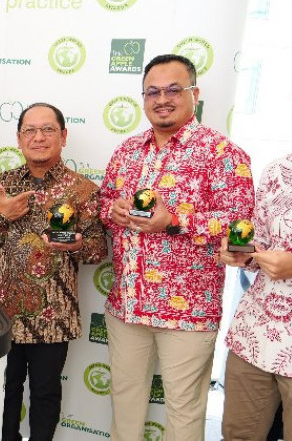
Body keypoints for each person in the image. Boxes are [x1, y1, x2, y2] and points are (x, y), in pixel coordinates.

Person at [99, 54, 255, 440]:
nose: (162, 99)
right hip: (127, 306)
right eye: (152, 92)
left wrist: (175, 221)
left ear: (194, 94)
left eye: (173, 90)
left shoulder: (222, 154)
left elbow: (240, 224)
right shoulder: (127, 151)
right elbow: (104, 204)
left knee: (184, 415)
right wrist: (114, 211)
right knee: (124, 406)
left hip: (187, 313)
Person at [0, 102, 107, 441]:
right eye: (30, 130)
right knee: (4, 391)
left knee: (45, 394)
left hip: (54, 316)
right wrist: (2, 215)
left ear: (63, 136)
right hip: (4, 314)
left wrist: (76, 246)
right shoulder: (2, 185)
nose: (38, 137)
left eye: (47, 130)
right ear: (19, 139)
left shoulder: (82, 190)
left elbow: (98, 249)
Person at [219, 153, 292, 440]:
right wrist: (243, 253)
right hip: (256, 336)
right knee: (238, 435)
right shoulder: (278, 170)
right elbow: (261, 240)